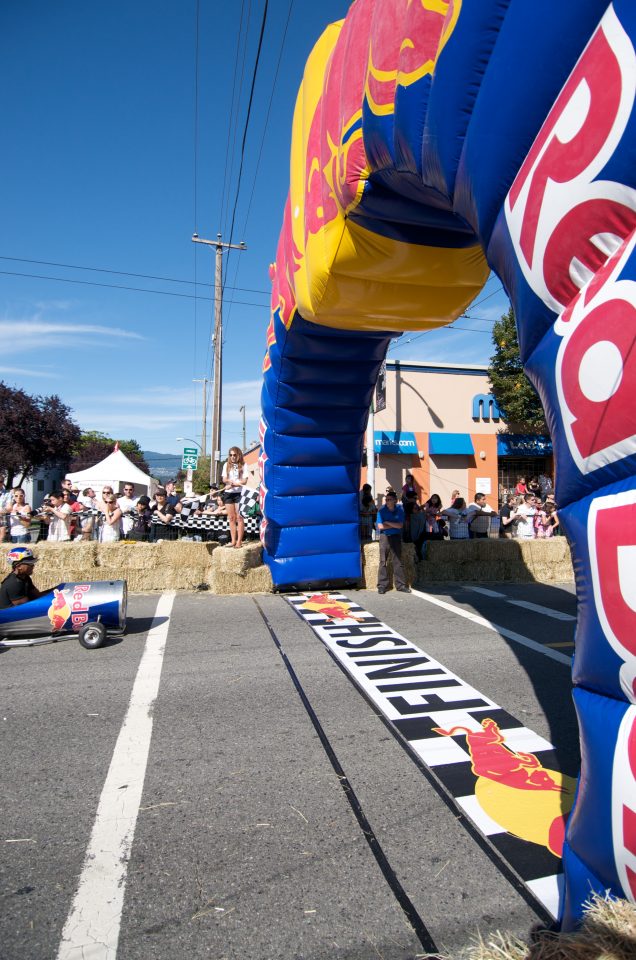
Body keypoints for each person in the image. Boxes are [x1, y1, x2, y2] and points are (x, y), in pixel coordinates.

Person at [376, 491, 410, 594]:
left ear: (395, 500)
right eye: (386, 499)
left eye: (389, 499)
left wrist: (387, 523)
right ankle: (382, 586)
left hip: (395, 536)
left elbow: (400, 525)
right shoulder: (381, 510)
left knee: (398, 561)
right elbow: (380, 526)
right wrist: (393, 525)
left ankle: (401, 585)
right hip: (384, 537)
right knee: (383, 561)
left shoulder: (399, 510)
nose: (387, 501)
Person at [221, 446, 248, 548]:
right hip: (228, 493)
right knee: (231, 518)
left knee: (239, 517)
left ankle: (239, 542)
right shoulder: (226, 465)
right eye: (230, 455)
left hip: (239, 493)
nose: (232, 457)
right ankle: (233, 541)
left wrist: (237, 484)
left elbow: (245, 481)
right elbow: (224, 478)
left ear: (238, 455)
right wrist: (229, 482)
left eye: (234, 455)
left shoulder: (244, 465)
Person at [0, 474, 13, 543]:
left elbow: (9, 508)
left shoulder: (8, 493)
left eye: (0, 481)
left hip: (2, 518)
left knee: (2, 540)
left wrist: (2, 511)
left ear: (3, 482)